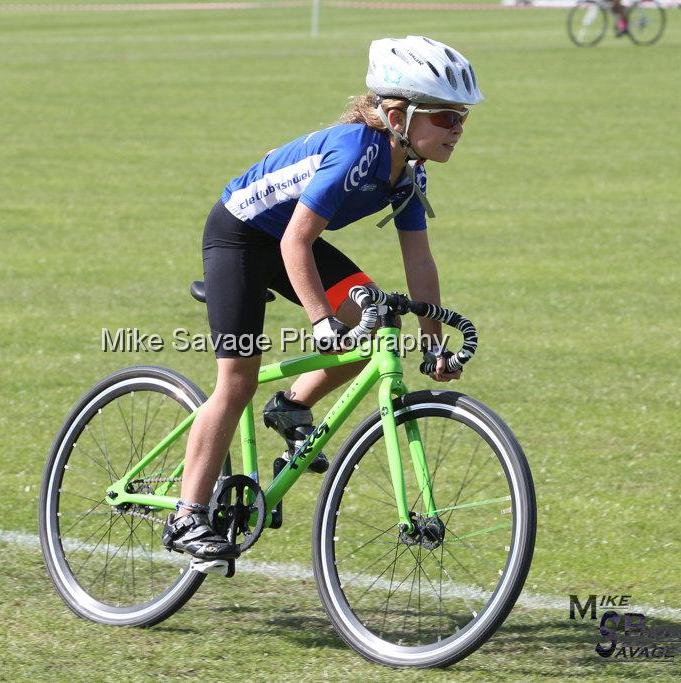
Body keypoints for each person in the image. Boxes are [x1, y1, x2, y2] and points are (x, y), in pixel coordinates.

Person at [161, 35, 482, 565]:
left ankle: (291, 406)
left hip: (291, 240)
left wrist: (434, 342)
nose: (458, 130)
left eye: (462, 118)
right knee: (238, 377)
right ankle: (186, 515)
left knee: (375, 324)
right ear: (398, 114)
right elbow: (294, 241)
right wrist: (321, 321)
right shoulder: (358, 150)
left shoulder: (409, 174)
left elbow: (419, 259)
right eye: (446, 118)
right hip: (243, 237)